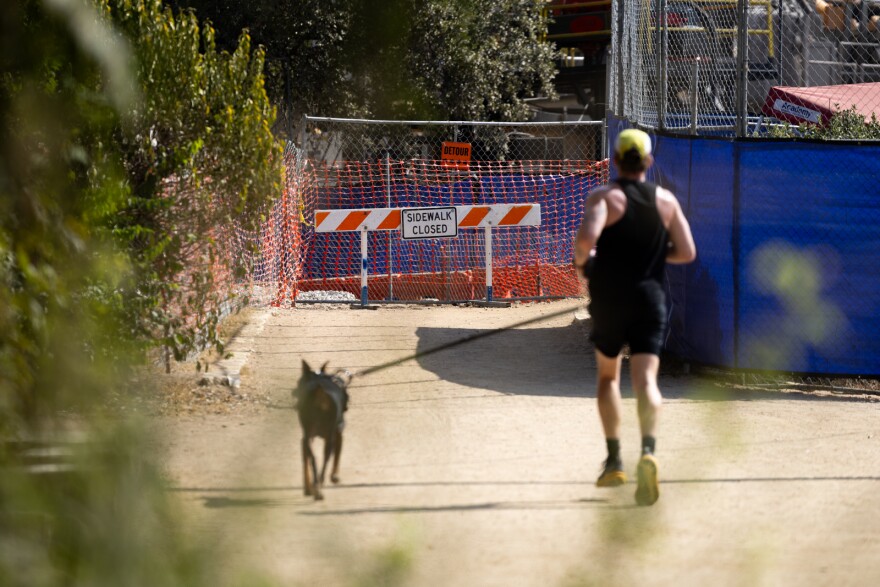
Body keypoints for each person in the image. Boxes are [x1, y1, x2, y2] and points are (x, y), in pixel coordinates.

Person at [573, 128, 696, 506]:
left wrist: (586, 265)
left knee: (609, 376)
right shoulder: (666, 201)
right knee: (646, 381)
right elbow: (687, 251)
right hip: (650, 299)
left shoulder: (604, 198)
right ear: (648, 162)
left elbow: (584, 241)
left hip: (611, 299)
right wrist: (656, 259)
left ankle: (613, 461)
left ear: (614, 159)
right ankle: (648, 451)